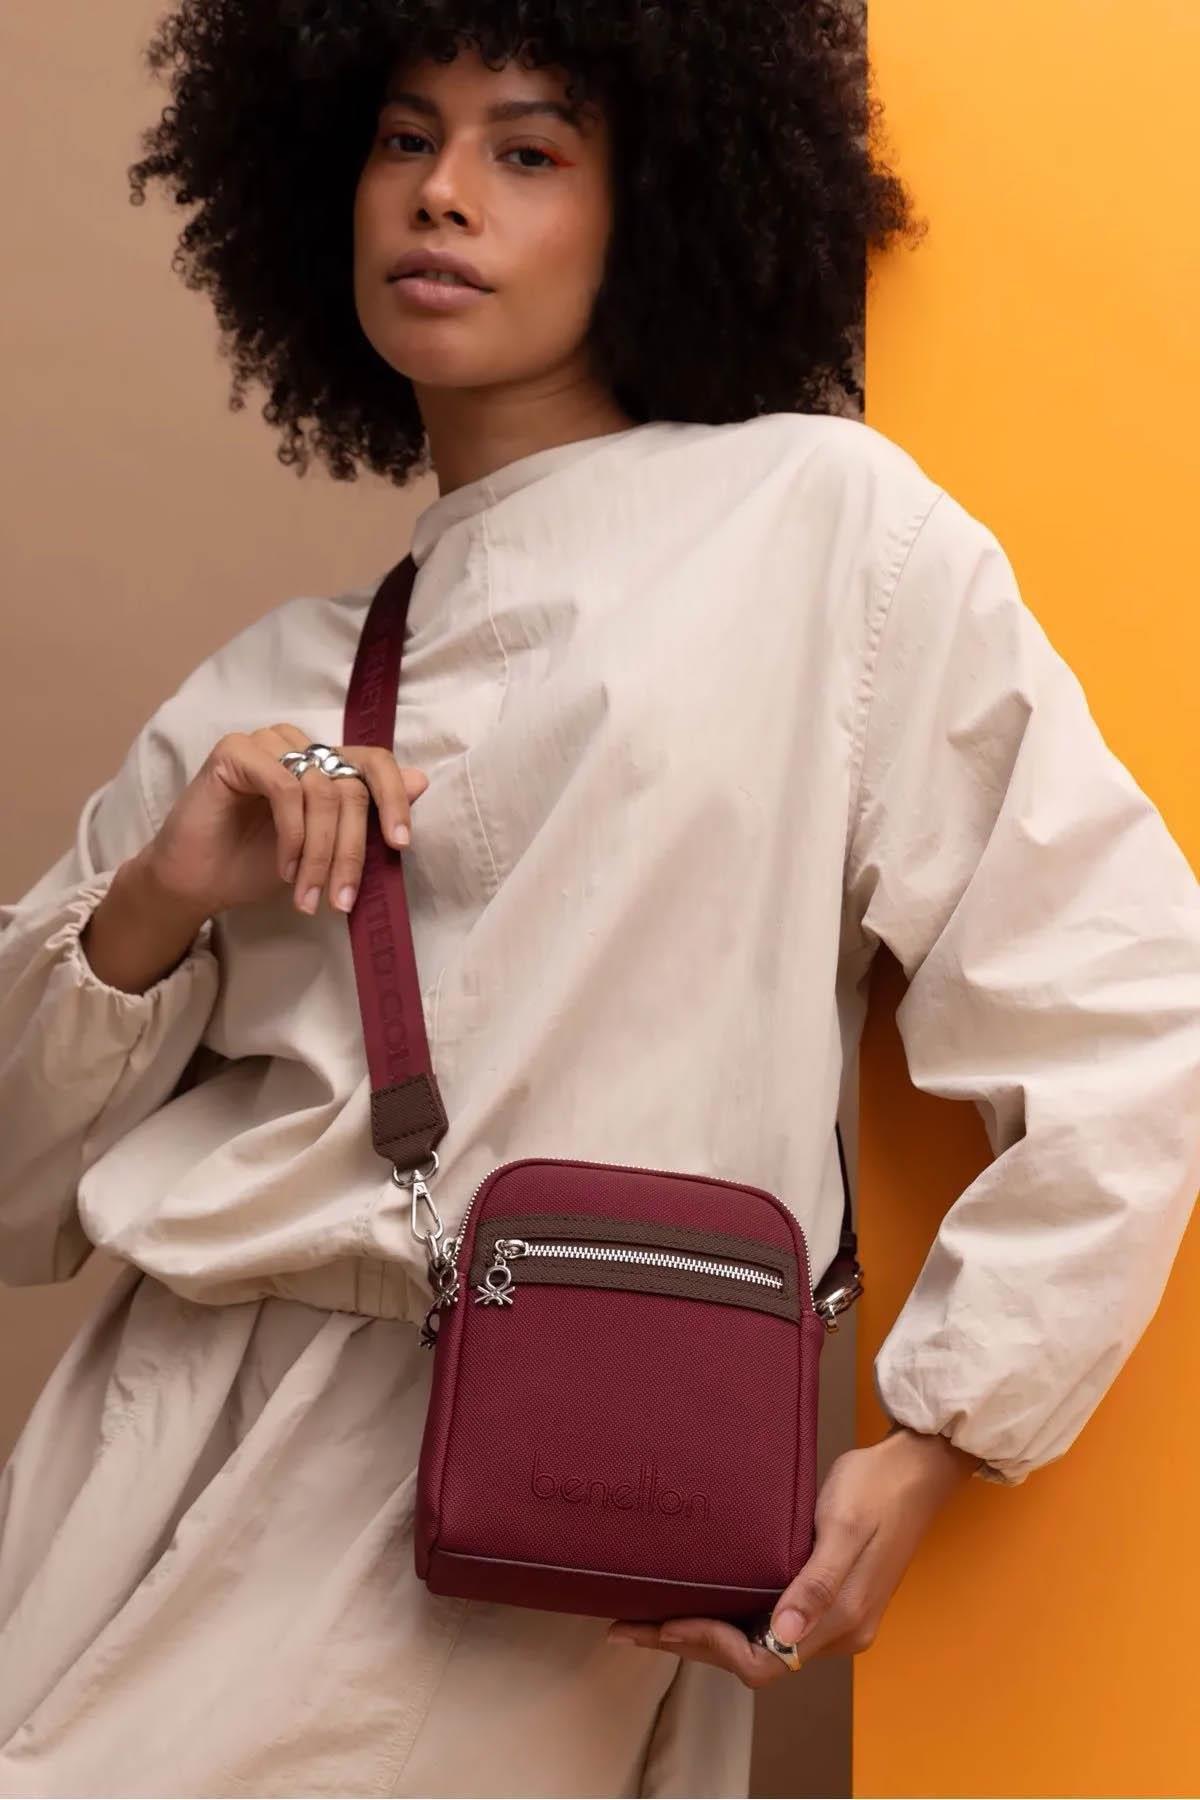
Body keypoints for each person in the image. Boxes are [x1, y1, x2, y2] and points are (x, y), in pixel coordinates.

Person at [1, 3, 1198, 1795]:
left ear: (665, 207)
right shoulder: (272, 683)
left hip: (521, 1518)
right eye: (405, 137)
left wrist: (942, 1437)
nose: (444, 194)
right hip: (133, 1462)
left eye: (530, 149)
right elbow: (17, 1185)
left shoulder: (822, 532)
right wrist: (162, 893)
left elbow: (1127, 1001)